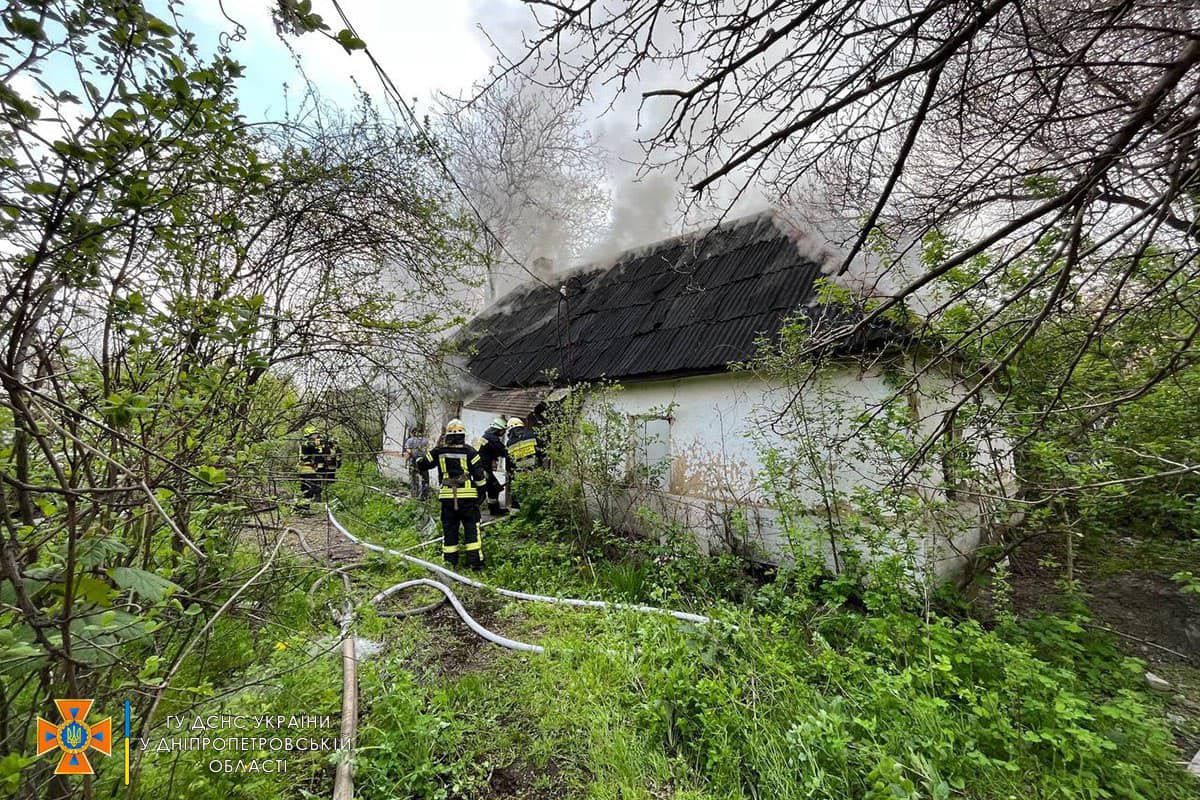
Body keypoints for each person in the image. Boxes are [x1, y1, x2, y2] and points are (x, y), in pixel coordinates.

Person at [415, 419, 488, 568]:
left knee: (449, 530)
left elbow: (423, 464)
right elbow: (480, 477)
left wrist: (417, 457)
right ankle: (474, 563)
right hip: (468, 498)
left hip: (448, 499)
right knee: (471, 529)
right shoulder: (470, 451)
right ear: (463, 435)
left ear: (447, 435)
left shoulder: (439, 451)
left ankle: (450, 563)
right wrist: (481, 496)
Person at [504, 417, 541, 511]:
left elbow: (509, 460)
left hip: (519, 472)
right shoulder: (531, 434)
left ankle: (519, 512)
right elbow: (540, 450)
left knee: (519, 493)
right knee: (534, 491)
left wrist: (509, 472)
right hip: (534, 469)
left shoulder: (510, 442)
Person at [475, 417, 510, 517]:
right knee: (481, 492)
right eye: (503, 430)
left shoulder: (486, 436)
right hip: (483, 469)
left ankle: (494, 510)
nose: (504, 433)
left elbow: (488, 451)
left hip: (480, 468)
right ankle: (471, 513)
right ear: (498, 429)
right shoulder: (493, 439)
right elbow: (503, 452)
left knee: (494, 488)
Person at [297, 426, 324, 511]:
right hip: (305, 468)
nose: (317, 435)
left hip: (310, 469)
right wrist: (318, 443)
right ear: (309, 435)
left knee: (308, 488)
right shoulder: (306, 443)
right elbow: (310, 447)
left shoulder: (312, 443)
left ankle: (304, 506)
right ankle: (300, 505)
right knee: (310, 487)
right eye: (315, 434)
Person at [403, 425, 431, 500]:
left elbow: (408, 452)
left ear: (412, 432)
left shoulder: (409, 441)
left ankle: (414, 495)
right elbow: (427, 451)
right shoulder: (425, 440)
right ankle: (424, 496)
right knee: (425, 479)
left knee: (413, 479)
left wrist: (406, 462)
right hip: (424, 462)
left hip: (414, 462)